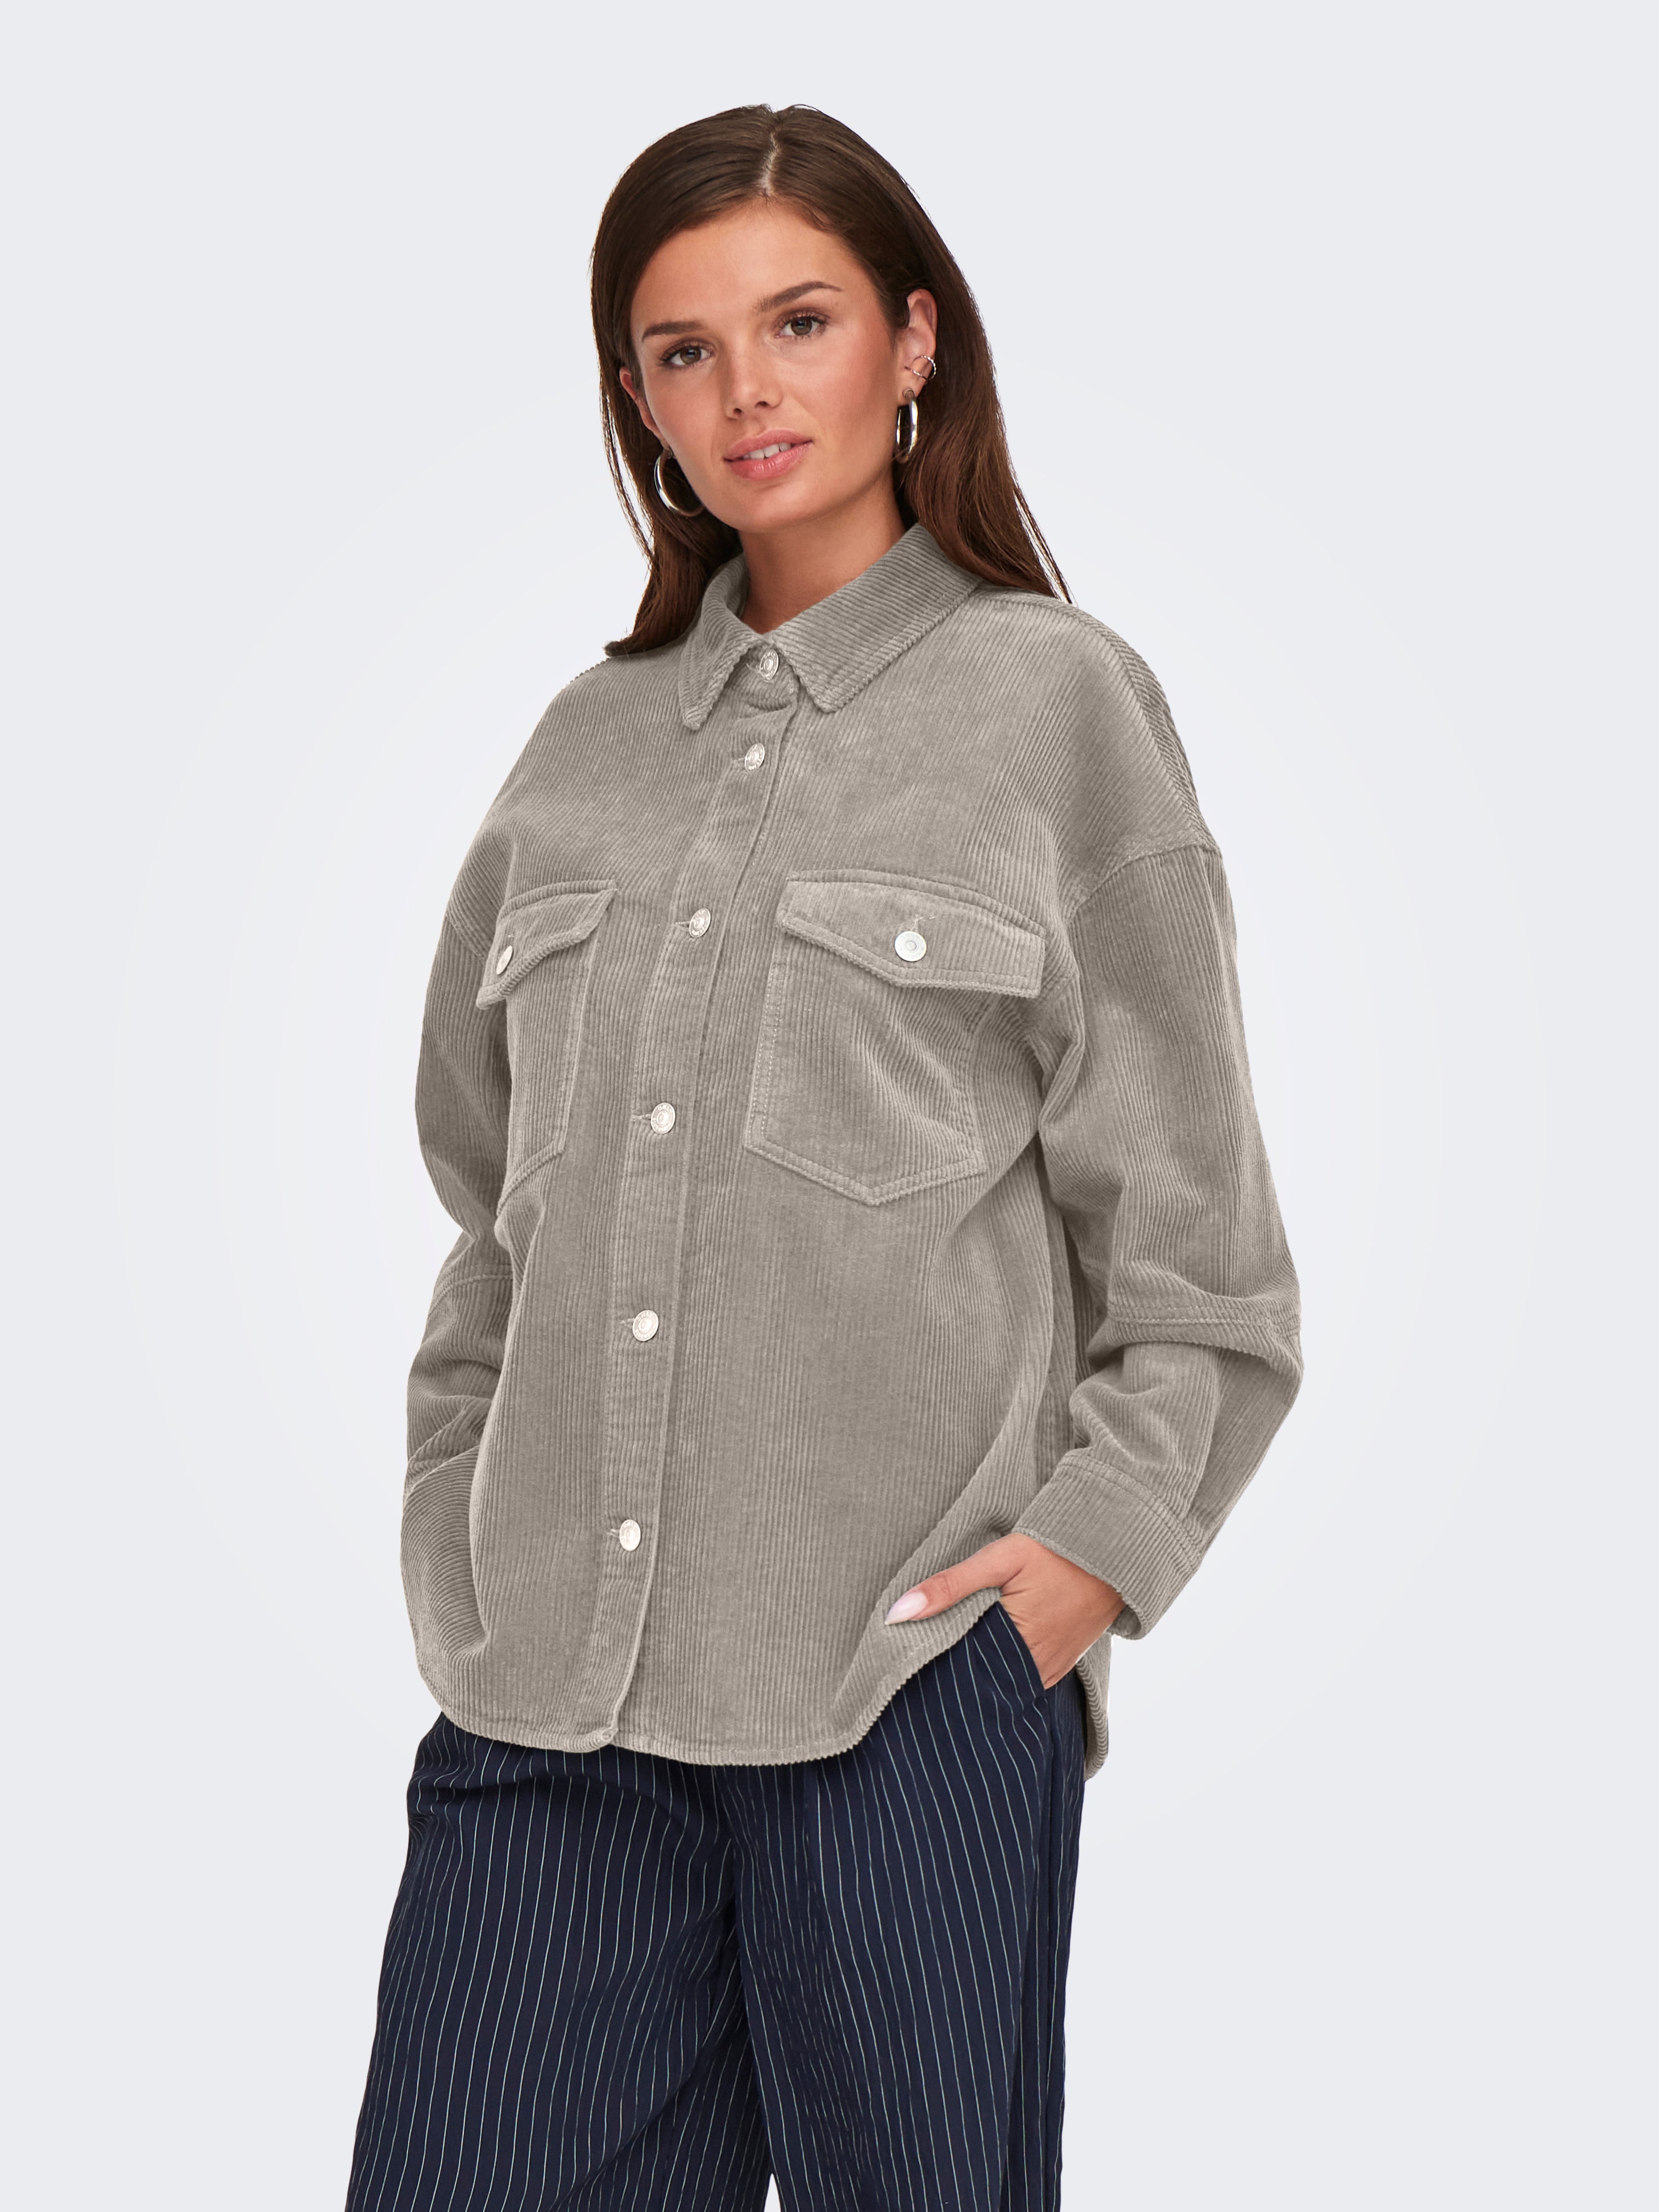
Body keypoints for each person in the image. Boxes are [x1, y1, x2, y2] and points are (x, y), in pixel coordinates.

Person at [345, 102, 1303, 2212]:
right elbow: (490, 1219)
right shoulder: (582, 753)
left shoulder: (1060, 711)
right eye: (682, 350)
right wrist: (457, 1537)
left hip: (906, 1693)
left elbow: (1203, 1268)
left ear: (913, 340)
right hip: (550, 1717)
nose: (746, 392)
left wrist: (1075, 1573)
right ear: (637, 397)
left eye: (800, 322)